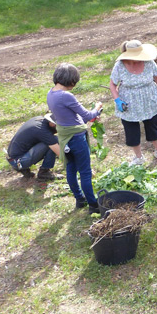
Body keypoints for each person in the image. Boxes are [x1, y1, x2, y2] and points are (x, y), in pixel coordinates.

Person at [46, 63, 103, 214]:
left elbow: (69, 115)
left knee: (71, 168)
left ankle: (79, 199)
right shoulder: (66, 96)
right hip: (76, 138)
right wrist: (97, 108)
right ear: (71, 80)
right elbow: (87, 115)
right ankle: (93, 204)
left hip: (64, 137)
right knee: (85, 171)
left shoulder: (50, 93)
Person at [109, 40, 157, 165]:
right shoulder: (120, 66)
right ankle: (138, 157)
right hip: (129, 102)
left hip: (149, 99)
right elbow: (112, 84)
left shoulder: (148, 62)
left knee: (152, 125)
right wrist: (117, 100)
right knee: (131, 129)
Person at [5, 114, 59, 180]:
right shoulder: (42, 130)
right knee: (54, 142)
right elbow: (58, 152)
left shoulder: (38, 120)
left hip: (13, 158)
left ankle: (23, 168)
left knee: (51, 141)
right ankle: (44, 172)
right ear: (52, 123)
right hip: (19, 161)